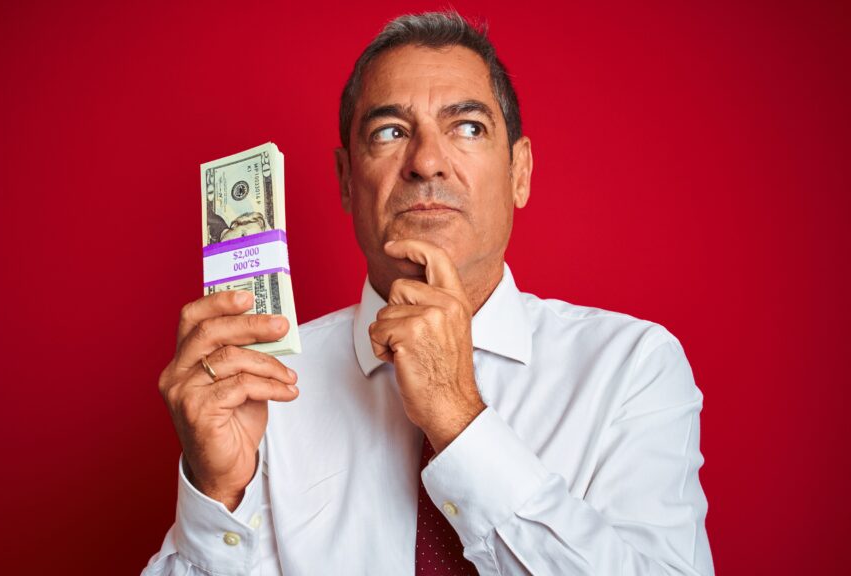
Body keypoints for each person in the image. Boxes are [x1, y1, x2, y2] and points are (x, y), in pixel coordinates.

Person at [143, 11, 713, 576]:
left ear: (520, 173)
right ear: (346, 179)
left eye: (467, 127)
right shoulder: (260, 388)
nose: (427, 162)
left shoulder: (633, 367)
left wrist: (459, 420)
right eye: (389, 132)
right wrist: (218, 496)